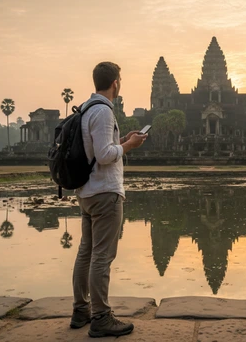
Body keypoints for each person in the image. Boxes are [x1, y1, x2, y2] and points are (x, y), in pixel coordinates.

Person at [70, 61, 146, 338]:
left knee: (86, 253)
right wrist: (128, 145)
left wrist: (122, 139)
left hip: (88, 192)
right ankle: (100, 317)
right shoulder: (103, 111)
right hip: (105, 193)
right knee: (101, 256)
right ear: (115, 83)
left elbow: (96, 149)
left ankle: (81, 310)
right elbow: (104, 156)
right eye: (120, 80)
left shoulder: (87, 109)